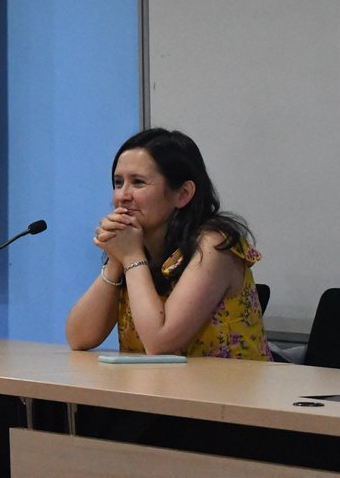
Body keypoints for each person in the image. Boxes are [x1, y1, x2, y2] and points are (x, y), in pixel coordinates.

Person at [65, 128, 269, 359]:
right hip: (155, 390)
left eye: (138, 182)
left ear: (183, 194)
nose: (122, 195)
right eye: (118, 182)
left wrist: (131, 257)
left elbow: (159, 344)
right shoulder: (135, 247)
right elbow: (79, 338)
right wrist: (115, 259)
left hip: (224, 392)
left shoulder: (215, 246)